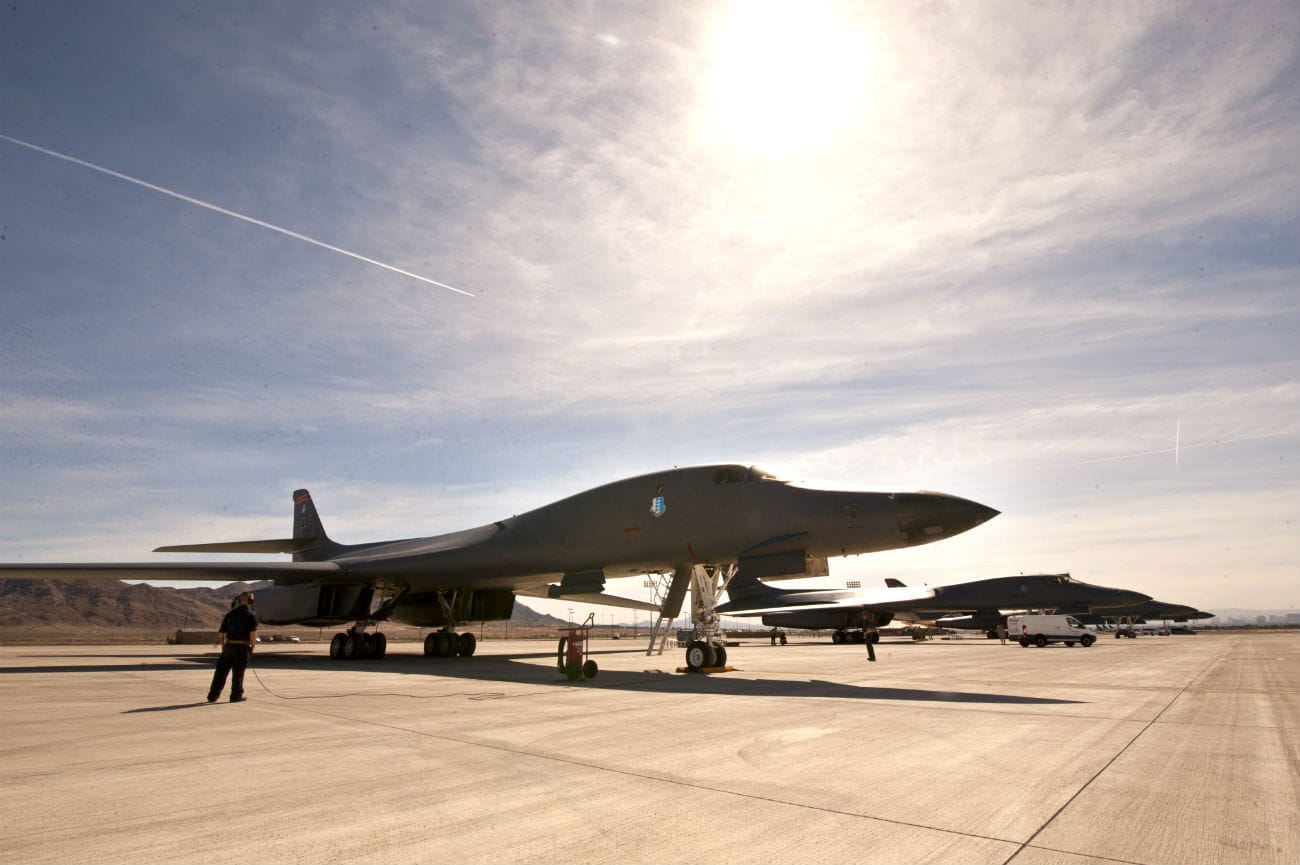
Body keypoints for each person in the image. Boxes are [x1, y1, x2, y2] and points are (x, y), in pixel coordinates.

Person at [208, 591, 258, 703]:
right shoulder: (251, 615)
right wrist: (252, 647)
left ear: (240, 601)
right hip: (242, 647)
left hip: (228, 646)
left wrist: (223, 647)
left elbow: (221, 634)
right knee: (238, 673)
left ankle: (212, 696)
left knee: (220, 673)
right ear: (250, 601)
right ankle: (236, 696)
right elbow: (253, 634)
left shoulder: (230, 614)